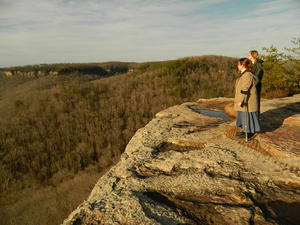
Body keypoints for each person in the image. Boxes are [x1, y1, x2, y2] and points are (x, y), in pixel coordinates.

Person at [235, 58, 261, 139]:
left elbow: (245, 89)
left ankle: (249, 132)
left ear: (242, 65)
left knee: (248, 116)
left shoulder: (247, 75)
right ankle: (245, 130)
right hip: (245, 100)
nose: (237, 66)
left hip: (248, 101)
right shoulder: (244, 74)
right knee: (244, 116)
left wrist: (240, 101)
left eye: (238, 64)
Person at [248, 50, 264, 117]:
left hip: (256, 85)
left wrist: (254, 84)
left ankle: (257, 115)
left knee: (256, 100)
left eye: (249, 55)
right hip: (251, 84)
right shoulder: (250, 63)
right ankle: (252, 115)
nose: (248, 56)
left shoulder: (258, 64)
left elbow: (259, 76)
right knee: (251, 100)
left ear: (252, 55)